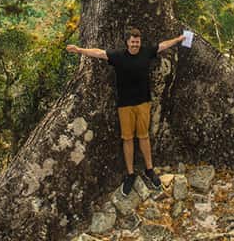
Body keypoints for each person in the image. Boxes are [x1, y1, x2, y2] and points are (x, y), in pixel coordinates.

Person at [66, 27, 187, 196]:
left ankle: (149, 170)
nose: (135, 44)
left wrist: (178, 39)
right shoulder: (118, 56)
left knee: (144, 136)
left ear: (140, 42)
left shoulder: (146, 52)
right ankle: (130, 174)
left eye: (137, 42)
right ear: (127, 42)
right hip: (125, 105)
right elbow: (99, 53)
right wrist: (79, 50)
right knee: (128, 139)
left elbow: (162, 46)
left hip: (143, 103)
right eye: (133, 42)